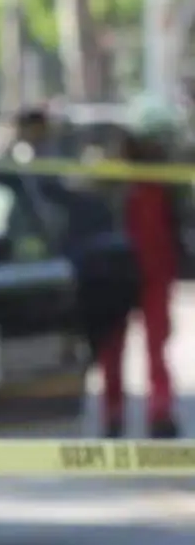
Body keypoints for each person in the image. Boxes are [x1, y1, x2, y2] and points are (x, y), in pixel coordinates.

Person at [100, 98, 185, 439]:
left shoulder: (168, 180)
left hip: (154, 270)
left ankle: (159, 410)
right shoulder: (112, 177)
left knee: (155, 345)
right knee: (112, 346)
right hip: (119, 272)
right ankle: (114, 413)